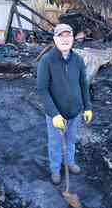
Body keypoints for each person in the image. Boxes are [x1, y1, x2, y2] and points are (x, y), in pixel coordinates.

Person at [37, 24, 93, 185]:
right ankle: (55, 169)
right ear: (55, 39)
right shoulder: (47, 61)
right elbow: (42, 89)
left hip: (75, 112)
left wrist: (87, 107)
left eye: (68, 36)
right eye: (61, 36)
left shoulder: (78, 60)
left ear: (72, 39)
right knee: (55, 143)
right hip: (56, 114)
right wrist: (54, 114)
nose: (65, 39)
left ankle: (69, 162)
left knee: (71, 140)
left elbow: (83, 84)